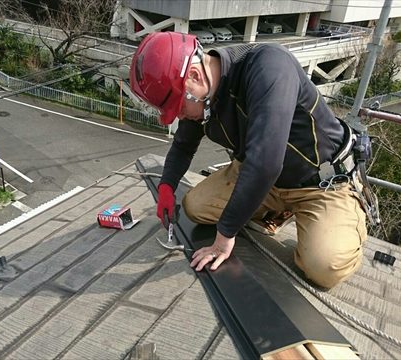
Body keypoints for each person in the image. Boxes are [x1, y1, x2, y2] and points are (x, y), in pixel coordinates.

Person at [130, 31, 368, 289]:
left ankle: (345, 222)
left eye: (179, 109)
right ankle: (276, 209)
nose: (181, 117)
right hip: (264, 178)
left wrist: (224, 238)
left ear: (195, 76)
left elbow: (264, 161)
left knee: (324, 266)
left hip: (320, 183)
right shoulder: (203, 95)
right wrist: (167, 186)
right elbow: (183, 145)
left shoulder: (270, 67)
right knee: (194, 207)